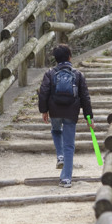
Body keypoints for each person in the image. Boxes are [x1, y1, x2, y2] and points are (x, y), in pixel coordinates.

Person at [38, 44, 93, 188]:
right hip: (71, 112)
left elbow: (43, 92)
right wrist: (89, 117)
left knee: (56, 131)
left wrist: (44, 110)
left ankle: (60, 156)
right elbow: (85, 97)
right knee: (69, 145)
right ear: (70, 57)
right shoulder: (78, 74)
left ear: (55, 59)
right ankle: (66, 179)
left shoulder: (50, 73)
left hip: (55, 111)